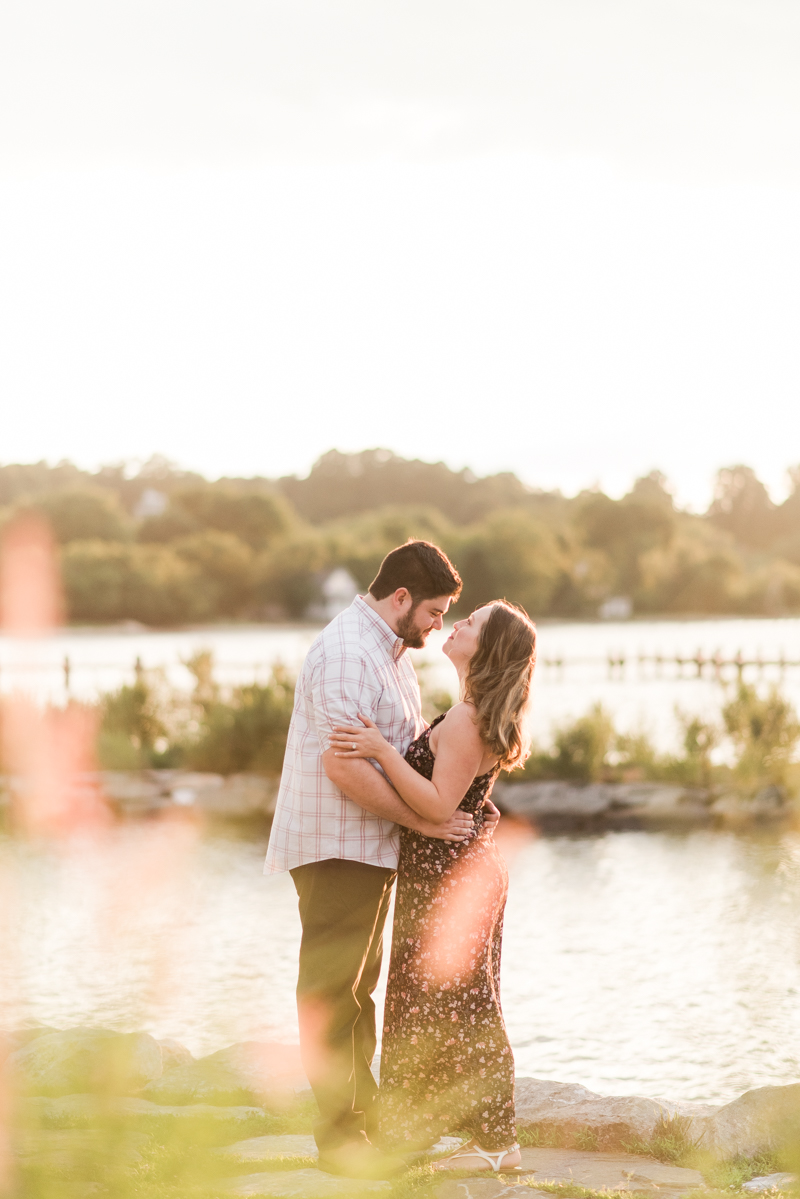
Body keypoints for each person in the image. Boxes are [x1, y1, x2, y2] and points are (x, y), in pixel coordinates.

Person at [263, 540, 501, 1181]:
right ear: (400, 597)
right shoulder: (347, 653)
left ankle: (362, 1128)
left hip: (366, 848)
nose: (438, 625)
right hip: (336, 844)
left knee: (355, 996)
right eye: (434, 610)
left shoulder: (389, 652)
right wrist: (424, 819)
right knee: (330, 994)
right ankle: (340, 1143)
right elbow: (344, 766)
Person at [330, 599, 536, 1175]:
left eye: (471, 623)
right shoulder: (469, 713)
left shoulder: (469, 719)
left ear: (488, 649)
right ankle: (428, 1130)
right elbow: (463, 794)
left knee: (466, 1007)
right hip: (446, 874)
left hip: (452, 880)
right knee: (428, 1005)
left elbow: (440, 803)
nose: (458, 624)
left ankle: (497, 1141)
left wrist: (380, 752)